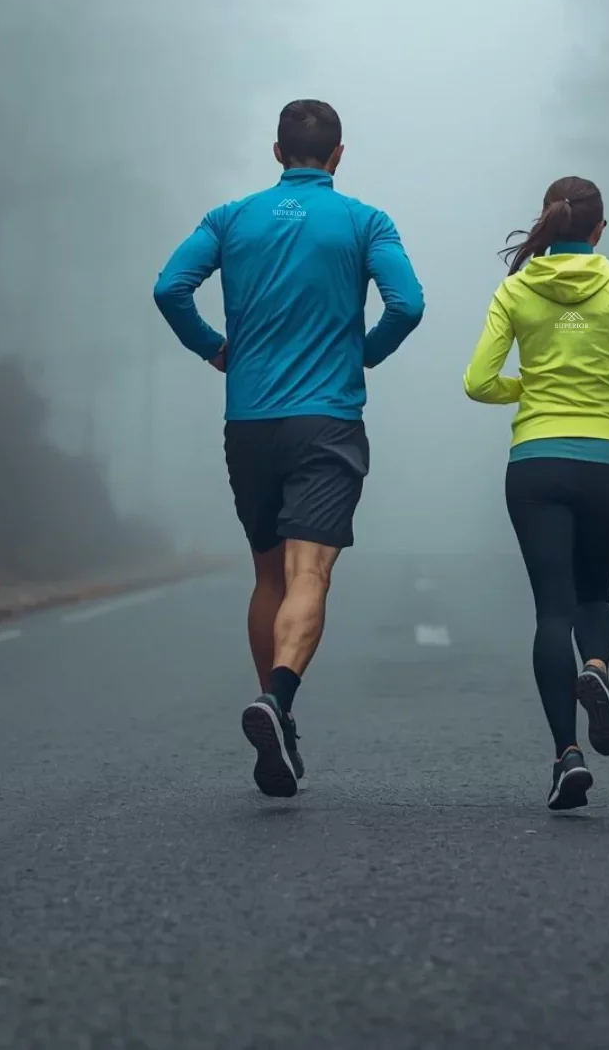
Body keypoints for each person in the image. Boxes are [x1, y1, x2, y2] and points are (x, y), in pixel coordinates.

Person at [154, 99, 424, 799]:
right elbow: (408, 305)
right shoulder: (366, 221)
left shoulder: (230, 218)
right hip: (326, 419)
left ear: (277, 153)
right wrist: (359, 354)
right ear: (338, 155)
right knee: (311, 575)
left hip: (248, 422)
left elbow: (170, 287)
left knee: (267, 575)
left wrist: (215, 349)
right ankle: (276, 702)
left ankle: (277, 713)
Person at [463, 176, 609, 810]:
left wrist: (526, 392)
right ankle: (599, 671)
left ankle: (567, 758)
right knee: (595, 596)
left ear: (548, 223)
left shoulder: (516, 289)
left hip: (536, 464)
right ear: (600, 230)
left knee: (552, 612)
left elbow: (478, 382)